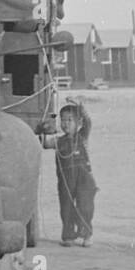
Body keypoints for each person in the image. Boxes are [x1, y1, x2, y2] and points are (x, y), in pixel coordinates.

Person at [38, 102, 97, 246]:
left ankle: (86, 235)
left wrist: (81, 108)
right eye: (63, 120)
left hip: (84, 178)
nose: (65, 124)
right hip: (66, 180)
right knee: (66, 206)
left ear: (78, 123)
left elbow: (88, 123)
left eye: (70, 120)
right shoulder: (57, 141)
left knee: (85, 206)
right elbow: (44, 142)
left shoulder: (82, 136)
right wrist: (42, 128)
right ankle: (68, 236)